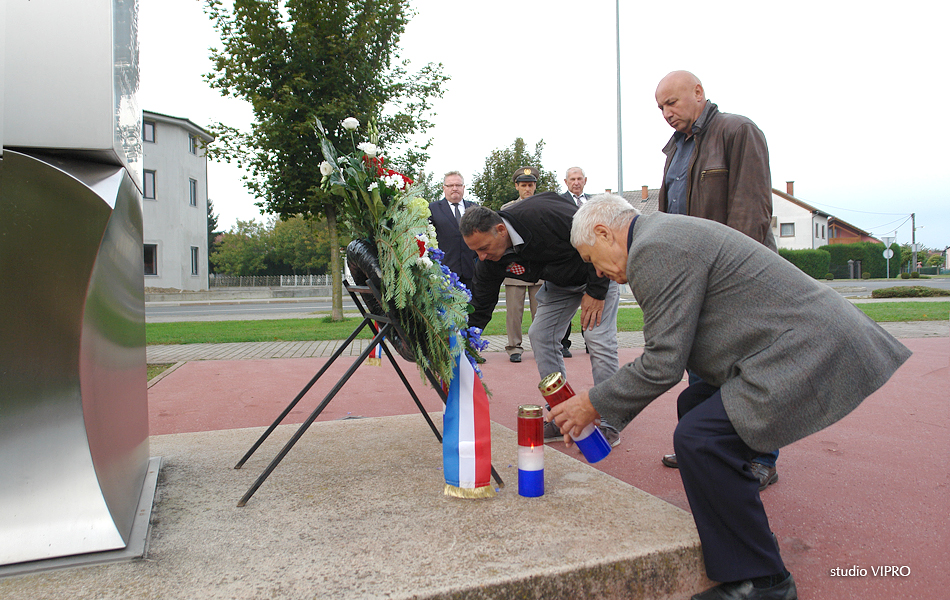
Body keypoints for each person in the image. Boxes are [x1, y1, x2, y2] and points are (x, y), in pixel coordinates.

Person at [552, 194, 911, 600]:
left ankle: (766, 581)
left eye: (591, 258)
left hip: (806, 347)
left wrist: (592, 403)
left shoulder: (653, 248)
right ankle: (742, 529)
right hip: (790, 343)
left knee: (701, 439)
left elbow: (664, 362)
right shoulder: (660, 235)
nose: (597, 271)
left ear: (604, 233)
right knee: (695, 406)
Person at [655, 70, 779, 489]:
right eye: (660, 108)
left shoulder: (737, 131)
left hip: (735, 276)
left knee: (748, 371)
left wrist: (736, 275)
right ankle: (702, 445)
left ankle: (761, 457)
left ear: (698, 93)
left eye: (671, 102)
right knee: (703, 367)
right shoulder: (674, 150)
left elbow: (752, 208)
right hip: (693, 276)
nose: (666, 113)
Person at [459, 193, 621, 446]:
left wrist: (597, 291)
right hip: (560, 285)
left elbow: (593, 236)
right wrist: (463, 344)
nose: (481, 256)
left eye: (483, 248)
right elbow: (480, 307)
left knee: (597, 337)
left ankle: (611, 418)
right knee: (540, 335)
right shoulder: (489, 262)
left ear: (500, 230)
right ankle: (564, 414)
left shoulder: (542, 213)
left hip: (598, 273)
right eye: (475, 251)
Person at [497, 167, 543, 363]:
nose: (527, 189)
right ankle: (514, 347)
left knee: (540, 312)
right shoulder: (507, 209)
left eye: (530, 185)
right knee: (514, 312)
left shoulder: (543, 206)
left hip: (538, 266)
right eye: (523, 185)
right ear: (516, 186)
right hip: (515, 266)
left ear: (535, 186)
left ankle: (541, 347)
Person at [557, 166, 591, 359]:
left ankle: (591, 342)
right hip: (568, 261)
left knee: (592, 303)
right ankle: (563, 343)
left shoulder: (593, 202)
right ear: (566, 182)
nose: (576, 182)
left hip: (591, 261)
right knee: (565, 307)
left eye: (579, 179)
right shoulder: (559, 202)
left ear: (585, 181)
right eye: (572, 179)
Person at [428, 171, 478, 291]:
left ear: (463, 187)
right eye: (450, 185)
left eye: (458, 185)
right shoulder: (432, 209)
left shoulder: (475, 208)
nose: (454, 188)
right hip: (445, 273)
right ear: (444, 188)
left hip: (472, 273)